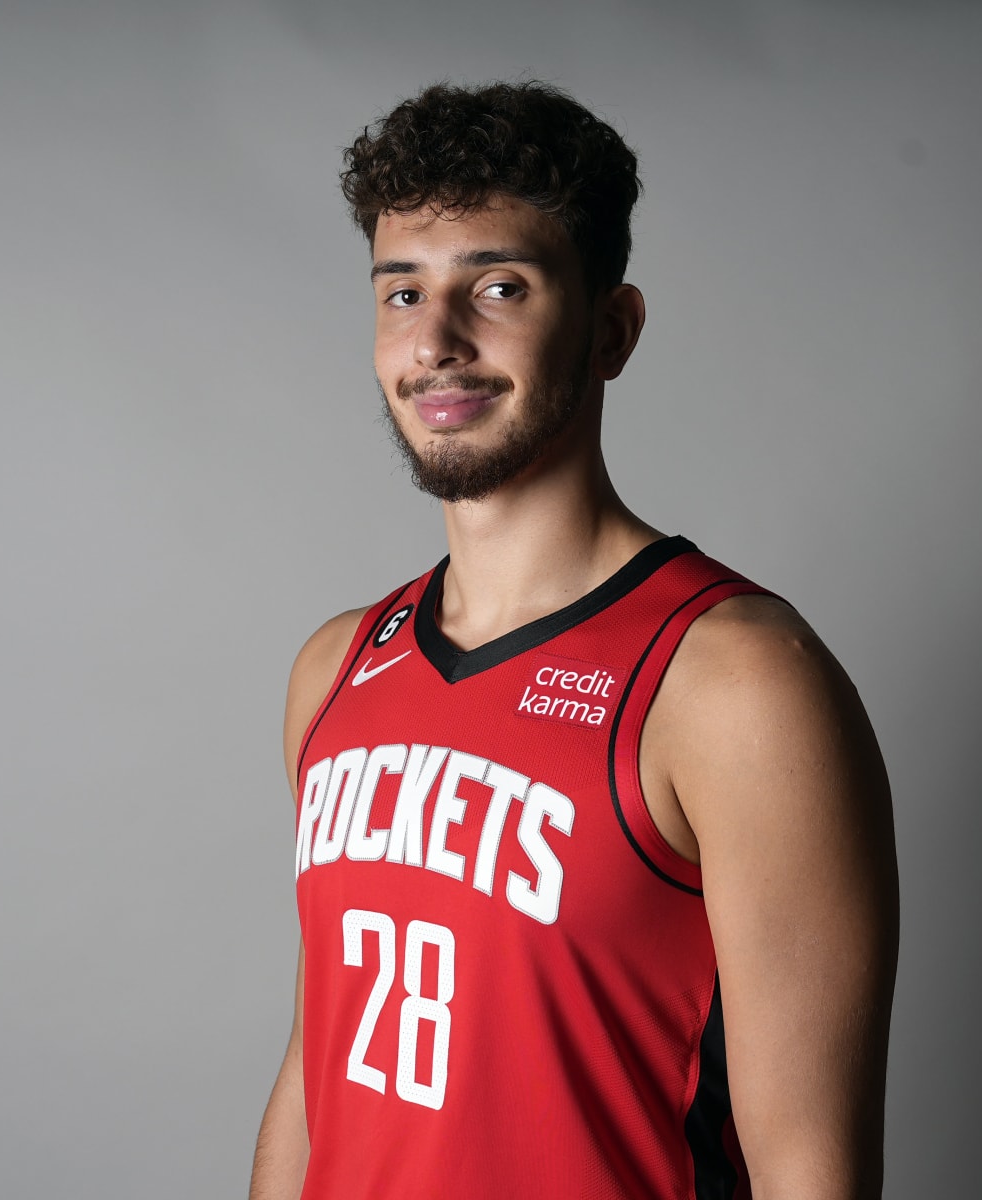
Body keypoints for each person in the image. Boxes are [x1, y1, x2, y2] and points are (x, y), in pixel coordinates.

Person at [248, 80, 899, 1200]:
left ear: (610, 329)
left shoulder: (733, 681)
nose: (437, 340)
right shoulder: (338, 667)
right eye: (402, 292)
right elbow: (322, 1060)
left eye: (498, 286)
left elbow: (810, 1167)